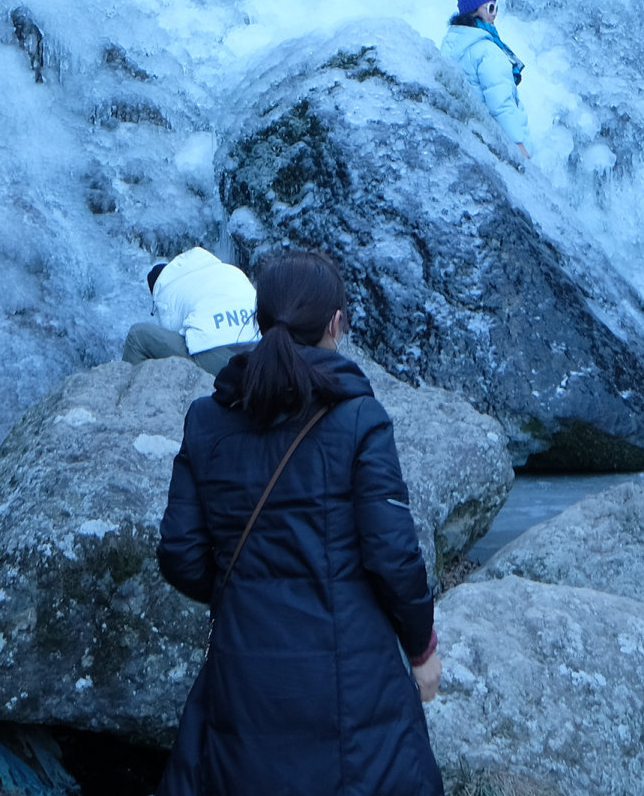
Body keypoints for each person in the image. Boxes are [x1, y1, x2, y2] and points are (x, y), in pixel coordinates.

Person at [157, 247, 442, 796]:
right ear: (336, 324)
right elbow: (393, 555)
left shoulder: (207, 420)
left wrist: (245, 591)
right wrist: (421, 648)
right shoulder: (359, 419)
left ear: (259, 320)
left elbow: (179, 552)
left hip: (245, 670)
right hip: (353, 674)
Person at [125, 247, 263, 377]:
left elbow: (172, 333)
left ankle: (130, 388)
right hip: (262, 353)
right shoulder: (230, 270)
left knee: (137, 336)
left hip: (222, 360)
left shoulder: (167, 289)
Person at [441, 0, 529, 163]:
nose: (495, 13)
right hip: (499, 142)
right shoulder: (487, 50)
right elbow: (500, 101)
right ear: (473, 11)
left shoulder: (452, 44)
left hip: (471, 136)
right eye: (490, 8)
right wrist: (518, 143)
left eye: (496, 8)